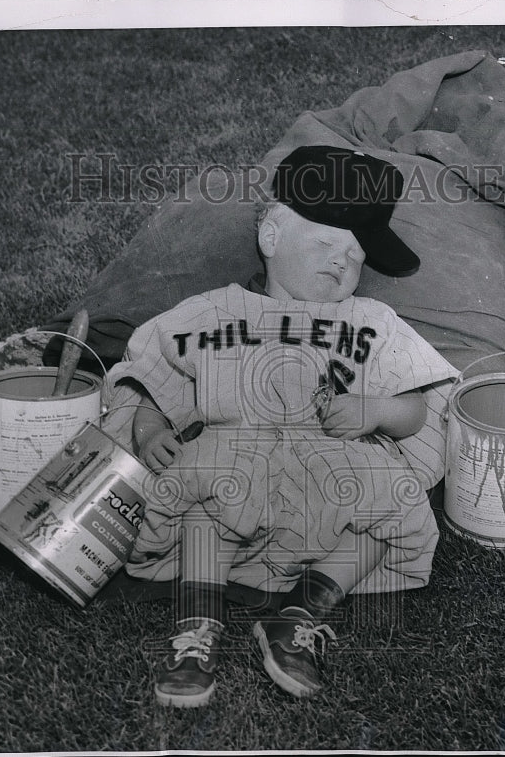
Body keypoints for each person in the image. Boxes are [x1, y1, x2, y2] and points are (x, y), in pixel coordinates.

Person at [104, 145, 459, 708]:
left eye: (356, 255)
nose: (343, 262)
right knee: (201, 499)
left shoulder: (369, 321)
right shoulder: (215, 313)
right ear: (271, 238)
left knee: (396, 502)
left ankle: (301, 613)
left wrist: (376, 411)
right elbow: (155, 378)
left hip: (332, 477)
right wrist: (150, 430)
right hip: (236, 474)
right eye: (326, 243)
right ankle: (197, 632)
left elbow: (418, 409)